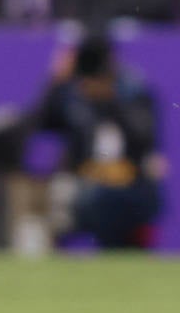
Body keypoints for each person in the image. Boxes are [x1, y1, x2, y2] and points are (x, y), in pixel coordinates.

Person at [31, 33, 165, 250]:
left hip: (129, 182)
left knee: (107, 198)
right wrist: (54, 82)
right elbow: (42, 124)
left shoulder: (133, 91)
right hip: (82, 179)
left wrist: (111, 100)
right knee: (59, 194)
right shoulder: (73, 94)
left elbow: (145, 138)